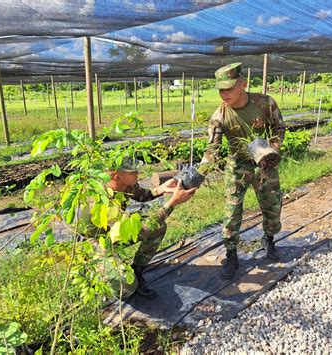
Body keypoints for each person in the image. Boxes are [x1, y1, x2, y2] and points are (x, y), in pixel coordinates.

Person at [199, 62, 286, 280]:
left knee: (272, 204)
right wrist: (199, 174)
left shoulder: (264, 103)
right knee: (232, 211)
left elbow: (279, 127)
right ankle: (231, 254)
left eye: (229, 88)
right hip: (237, 165)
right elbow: (213, 149)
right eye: (221, 89)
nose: (224, 94)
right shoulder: (219, 116)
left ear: (243, 84)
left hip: (264, 164)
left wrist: (272, 149)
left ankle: (269, 239)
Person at [80, 157, 197, 299]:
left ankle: (137, 270)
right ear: (117, 176)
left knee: (158, 227)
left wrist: (161, 189)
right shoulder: (100, 202)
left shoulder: (126, 186)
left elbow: (143, 196)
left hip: (116, 232)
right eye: (133, 172)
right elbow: (140, 230)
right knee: (126, 288)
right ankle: (93, 268)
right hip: (97, 242)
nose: (138, 175)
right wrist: (173, 202)